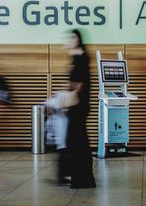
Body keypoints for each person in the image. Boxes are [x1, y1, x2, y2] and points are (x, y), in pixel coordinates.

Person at [65, 29, 96, 189]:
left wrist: (68, 96)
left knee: (77, 141)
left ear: (78, 39)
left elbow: (79, 83)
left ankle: (82, 178)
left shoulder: (81, 58)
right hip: (79, 105)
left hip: (78, 105)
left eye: (71, 37)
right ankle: (81, 176)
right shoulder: (78, 57)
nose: (68, 40)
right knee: (79, 141)